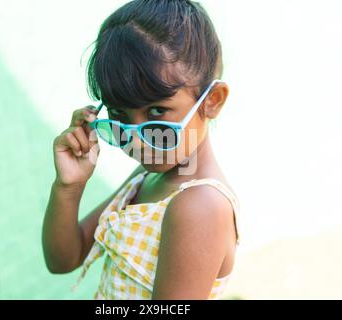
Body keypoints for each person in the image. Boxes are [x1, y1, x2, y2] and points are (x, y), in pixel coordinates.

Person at [42, 0, 240, 300]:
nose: (137, 142)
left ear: (212, 100)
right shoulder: (150, 174)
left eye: (158, 111)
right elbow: (63, 260)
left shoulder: (200, 206)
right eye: (119, 116)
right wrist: (69, 186)